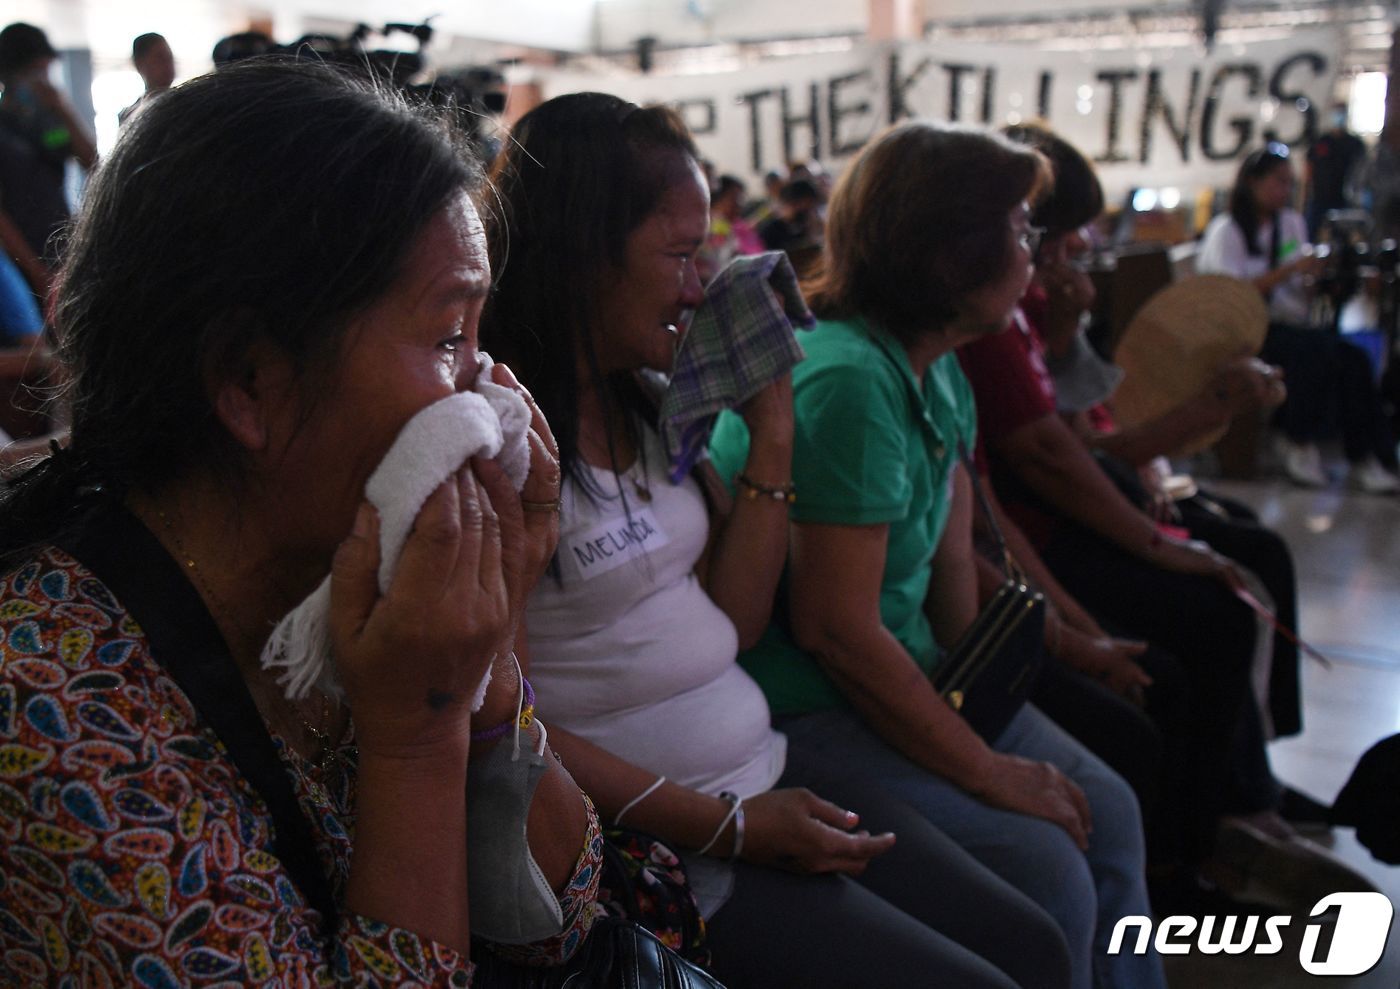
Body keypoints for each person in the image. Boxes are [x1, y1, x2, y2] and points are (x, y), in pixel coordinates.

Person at [0, 61, 602, 985]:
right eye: (448, 338)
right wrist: (416, 738)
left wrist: (483, 673)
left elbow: (557, 924)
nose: (491, 394)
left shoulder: (349, 577)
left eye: (481, 337)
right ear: (250, 383)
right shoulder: (63, 716)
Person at [482, 92, 1073, 989]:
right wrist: (734, 828)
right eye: (681, 255)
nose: (699, 284)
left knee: (1033, 940)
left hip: (761, 774)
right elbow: (513, 728)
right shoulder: (499, 448)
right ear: (581, 257)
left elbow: (740, 617)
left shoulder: (645, 401)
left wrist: (773, 430)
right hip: (667, 851)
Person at [709, 121, 1164, 989]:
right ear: (952, 252)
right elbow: (837, 633)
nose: (1034, 250)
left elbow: (954, 580)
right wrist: (990, 770)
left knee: (1108, 805)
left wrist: (1022, 693)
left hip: (898, 673)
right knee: (1052, 861)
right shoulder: (848, 381)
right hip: (812, 708)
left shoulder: (933, 363)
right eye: (1021, 228)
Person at [1197, 143, 1400, 493]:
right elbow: (1232, 295)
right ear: (1252, 182)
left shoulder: (1290, 223)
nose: (1285, 191)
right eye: (1278, 182)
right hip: (1248, 331)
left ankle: (1369, 455)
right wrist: (1290, 269)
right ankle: (1297, 438)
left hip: (1292, 322)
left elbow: (1299, 287)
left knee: (1353, 359)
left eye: (1289, 183)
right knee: (1311, 352)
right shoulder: (1227, 231)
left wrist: (1313, 278)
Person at [0, 23, 96, 266]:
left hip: (63, 249)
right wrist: (37, 273)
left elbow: (93, 164)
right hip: (21, 262)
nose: (41, 82)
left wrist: (62, 108)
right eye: (34, 73)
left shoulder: (50, 123)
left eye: (45, 72)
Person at [1305, 103, 1367, 239]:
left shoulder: (1355, 144)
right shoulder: (1321, 141)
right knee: (1309, 233)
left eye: (1341, 113)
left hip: (1343, 200)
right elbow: (1309, 169)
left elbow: (1362, 173)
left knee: (1341, 236)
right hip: (1319, 198)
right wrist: (1305, 196)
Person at [118, 32, 176, 126]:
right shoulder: (129, 115)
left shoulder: (186, 104)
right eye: (159, 58)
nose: (168, 64)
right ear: (139, 64)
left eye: (170, 57)